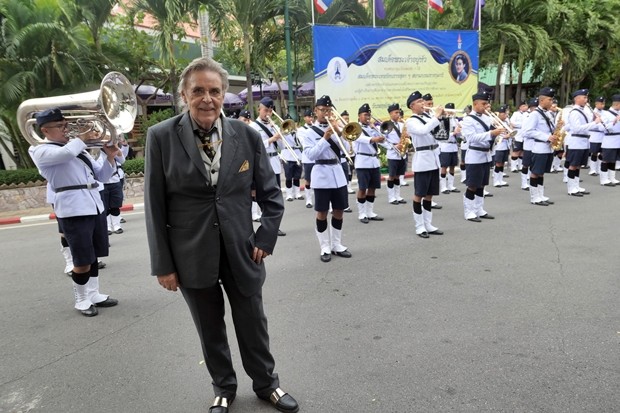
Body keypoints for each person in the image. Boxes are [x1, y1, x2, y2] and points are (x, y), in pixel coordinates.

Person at [144, 57, 299, 413]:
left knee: (253, 323)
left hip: (242, 250)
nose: (207, 98)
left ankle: (266, 385)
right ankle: (224, 389)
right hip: (191, 254)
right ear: (184, 94)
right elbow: (154, 207)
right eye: (198, 90)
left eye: (214, 91)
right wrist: (163, 265)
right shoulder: (161, 137)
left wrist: (264, 238)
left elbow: (271, 195)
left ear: (224, 94)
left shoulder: (246, 135)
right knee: (209, 329)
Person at [29, 108, 119, 317]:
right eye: (60, 126)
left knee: (94, 254)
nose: (65, 129)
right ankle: (81, 299)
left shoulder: (79, 149)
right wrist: (81, 137)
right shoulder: (40, 150)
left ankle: (94, 294)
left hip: (93, 204)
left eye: (65, 124)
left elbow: (101, 176)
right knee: (81, 259)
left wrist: (110, 157)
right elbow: (65, 154)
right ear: (45, 130)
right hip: (72, 209)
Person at [301, 95, 353, 262]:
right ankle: (324, 246)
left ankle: (336, 244)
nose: (325, 113)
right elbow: (310, 154)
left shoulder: (337, 129)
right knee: (322, 212)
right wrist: (325, 138)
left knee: (339, 210)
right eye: (322, 110)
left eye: (329, 110)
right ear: (316, 111)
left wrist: (339, 133)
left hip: (337, 173)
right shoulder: (309, 133)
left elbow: (347, 151)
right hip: (321, 173)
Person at [405, 91, 445, 238]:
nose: (423, 104)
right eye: (420, 102)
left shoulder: (429, 117)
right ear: (412, 105)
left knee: (429, 195)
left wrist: (444, 118)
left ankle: (428, 223)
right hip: (422, 160)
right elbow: (423, 131)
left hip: (434, 158)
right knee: (419, 194)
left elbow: (442, 134)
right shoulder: (411, 121)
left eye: (423, 101)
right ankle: (419, 226)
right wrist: (436, 117)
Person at [461, 92, 505, 222]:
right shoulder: (468, 120)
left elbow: (491, 136)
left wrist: (498, 135)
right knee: (472, 185)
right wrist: (491, 133)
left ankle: (479, 209)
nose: (486, 106)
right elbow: (471, 138)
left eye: (487, 103)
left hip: (486, 155)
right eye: (484, 103)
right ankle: (469, 211)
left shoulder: (487, 118)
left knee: (482, 185)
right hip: (474, 155)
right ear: (475, 104)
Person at [251, 97, 286, 236]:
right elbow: (255, 147)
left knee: (274, 197)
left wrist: (281, 136)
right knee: (263, 197)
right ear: (259, 109)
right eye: (266, 110)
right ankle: (265, 225)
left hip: (275, 164)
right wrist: (272, 139)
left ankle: (273, 226)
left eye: (270, 111)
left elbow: (282, 147)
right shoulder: (253, 127)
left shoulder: (274, 126)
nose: (268, 113)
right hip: (262, 164)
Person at [522, 87, 559, 205]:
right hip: (539, 147)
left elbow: (549, 129)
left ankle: (541, 195)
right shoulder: (534, 115)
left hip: (547, 148)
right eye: (550, 99)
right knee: (535, 172)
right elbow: (527, 131)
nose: (552, 102)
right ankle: (534, 197)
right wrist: (546, 137)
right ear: (542, 100)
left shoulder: (548, 113)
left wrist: (557, 128)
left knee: (541, 172)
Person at [353, 103, 388, 223]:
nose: (367, 117)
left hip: (374, 161)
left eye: (369, 114)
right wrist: (373, 139)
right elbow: (359, 138)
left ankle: (370, 211)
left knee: (372, 188)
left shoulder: (372, 128)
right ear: (359, 116)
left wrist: (376, 129)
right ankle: (362, 213)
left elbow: (383, 139)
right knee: (363, 188)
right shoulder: (355, 128)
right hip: (362, 162)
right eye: (365, 114)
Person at [565, 89, 603, 196]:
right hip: (576, 141)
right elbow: (577, 129)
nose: (586, 100)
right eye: (584, 97)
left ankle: (576, 186)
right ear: (577, 99)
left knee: (578, 166)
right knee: (573, 165)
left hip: (584, 141)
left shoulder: (584, 111)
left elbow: (587, 126)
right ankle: (571, 188)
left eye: (586, 97)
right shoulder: (574, 112)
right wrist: (594, 122)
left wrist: (594, 121)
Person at [384, 103, 407, 205]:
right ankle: (391, 197)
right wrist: (393, 146)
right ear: (390, 114)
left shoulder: (402, 125)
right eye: (396, 112)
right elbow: (382, 141)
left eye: (399, 112)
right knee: (392, 176)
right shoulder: (387, 125)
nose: (398, 114)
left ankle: (398, 195)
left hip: (402, 153)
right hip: (393, 154)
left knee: (398, 176)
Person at [438, 103, 461, 194]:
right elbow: (441, 135)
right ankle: (443, 187)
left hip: (453, 146)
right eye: (449, 110)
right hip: (445, 146)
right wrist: (453, 133)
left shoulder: (455, 121)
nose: (451, 112)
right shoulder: (442, 121)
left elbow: (458, 134)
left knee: (452, 166)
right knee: (444, 166)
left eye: (452, 110)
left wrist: (460, 132)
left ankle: (451, 185)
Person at [280, 114, 304, 202]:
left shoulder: (298, 132)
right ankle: (289, 194)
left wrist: (296, 131)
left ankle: (297, 193)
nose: (289, 125)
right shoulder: (282, 132)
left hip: (297, 154)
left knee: (297, 176)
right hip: (287, 155)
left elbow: (301, 142)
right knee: (289, 176)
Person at [599, 94, 620, 186]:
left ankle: (612, 177)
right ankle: (604, 179)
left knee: (614, 160)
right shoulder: (605, 114)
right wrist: (614, 121)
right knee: (606, 160)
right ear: (618, 104)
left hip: (618, 140)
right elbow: (601, 127)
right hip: (609, 140)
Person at [298, 108, 315, 208]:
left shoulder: (316, 128)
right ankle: (308, 199)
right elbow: (304, 143)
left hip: (317, 158)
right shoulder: (301, 130)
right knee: (308, 179)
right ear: (305, 118)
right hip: (308, 158)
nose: (310, 119)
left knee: (318, 179)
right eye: (308, 117)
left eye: (312, 116)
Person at [491, 105, 511, 188]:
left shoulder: (506, 122)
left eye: (505, 113)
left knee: (502, 163)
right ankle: (496, 181)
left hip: (505, 144)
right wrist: (504, 137)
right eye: (503, 114)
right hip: (499, 145)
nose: (505, 115)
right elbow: (493, 134)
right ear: (499, 114)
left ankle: (500, 179)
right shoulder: (495, 122)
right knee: (498, 163)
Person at [588, 96, 606, 176]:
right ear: (596, 104)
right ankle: (592, 169)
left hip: (603, 136)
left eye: (603, 104)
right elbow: (591, 124)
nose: (602, 105)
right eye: (601, 104)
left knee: (602, 153)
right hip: (595, 135)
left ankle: (599, 169)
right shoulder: (592, 112)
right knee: (594, 153)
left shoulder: (604, 112)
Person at [510, 101, 528, 174]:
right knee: (516, 150)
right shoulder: (516, 114)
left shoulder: (527, 114)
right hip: (517, 134)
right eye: (523, 106)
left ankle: (520, 165)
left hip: (524, 135)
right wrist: (522, 125)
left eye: (526, 106)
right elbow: (512, 123)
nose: (525, 107)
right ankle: (513, 166)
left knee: (522, 151)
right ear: (520, 107)